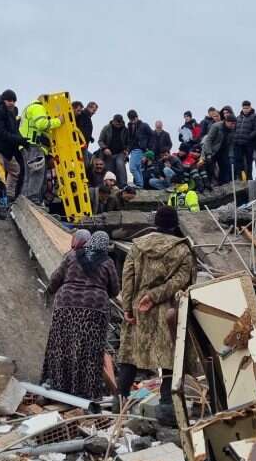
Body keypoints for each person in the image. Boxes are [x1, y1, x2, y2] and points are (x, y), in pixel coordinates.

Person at [116, 206, 196, 426]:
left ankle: (119, 403)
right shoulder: (182, 250)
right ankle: (166, 408)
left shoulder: (137, 246)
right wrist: (155, 296)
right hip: (166, 310)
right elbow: (181, 281)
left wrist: (128, 307)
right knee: (168, 358)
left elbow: (128, 277)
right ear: (175, 223)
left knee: (130, 355)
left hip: (137, 309)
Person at [41, 231, 120, 399]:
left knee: (62, 345)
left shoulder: (72, 256)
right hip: (94, 310)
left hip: (66, 305)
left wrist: (49, 291)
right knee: (89, 349)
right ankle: (86, 390)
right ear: (105, 246)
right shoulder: (108, 262)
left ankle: (57, 384)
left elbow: (56, 278)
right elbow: (115, 290)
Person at [0, 90, 27, 199]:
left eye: (14, 101)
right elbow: (1, 132)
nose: (12, 103)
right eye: (9, 100)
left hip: (7, 149)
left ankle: (8, 196)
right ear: (3, 100)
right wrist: (18, 140)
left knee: (15, 170)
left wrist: (22, 140)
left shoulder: (11, 113)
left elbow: (14, 130)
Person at [19, 97, 63, 202]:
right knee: (37, 173)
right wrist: (58, 121)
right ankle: (32, 199)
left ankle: (25, 199)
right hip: (34, 146)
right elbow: (42, 124)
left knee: (29, 175)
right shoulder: (38, 108)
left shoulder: (30, 108)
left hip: (28, 146)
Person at [201, 113, 236, 184]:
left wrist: (231, 155)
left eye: (234, 124)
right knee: (210, 168)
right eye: (231, 123)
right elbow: (208, 140)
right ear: (226, 121)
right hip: (212, 150)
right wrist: (208, 153)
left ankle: (223, 185)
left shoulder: (233, 129)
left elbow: (232, 143)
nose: (233, 125)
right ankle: (208, 185)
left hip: (223, 151)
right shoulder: (216, 126)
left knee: (225, 168)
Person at [234, 101, 256, 181]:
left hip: (249, 143)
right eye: (244, 108)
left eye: (247, 108)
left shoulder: (255, 116)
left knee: (249, 161)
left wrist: (249, 137)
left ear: (250, 107)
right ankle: (241, 177)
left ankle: (249, 177)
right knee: (239, 161)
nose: (245, 110)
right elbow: (235, 129)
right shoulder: (238, 117)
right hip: (238, 143)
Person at [97, 114, 129, 187]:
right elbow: (100, 141)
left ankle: (124, 185)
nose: (118, 124)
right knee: (109, 169)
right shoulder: (106, 128)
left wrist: (126, 150)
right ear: (113, 121)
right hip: (109, 153)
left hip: (120, 153)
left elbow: (128, 143)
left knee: (120, 164)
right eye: (116, 122)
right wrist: (105, 148)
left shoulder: (125, 130)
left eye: (119, 123)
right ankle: (110, 186)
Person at [126, 110, 154, 188]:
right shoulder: (130, 127)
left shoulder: (144, 125)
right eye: (131, 120)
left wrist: (149, 148)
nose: (133, 121)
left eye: (134, 119)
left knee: (132, 168)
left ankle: (139, 184)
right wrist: (128, 151)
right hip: (133, 150)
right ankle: (141, 185)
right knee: (138, 168)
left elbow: (152, 135)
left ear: (137, 117)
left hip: (140, 149)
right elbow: (130, 140)